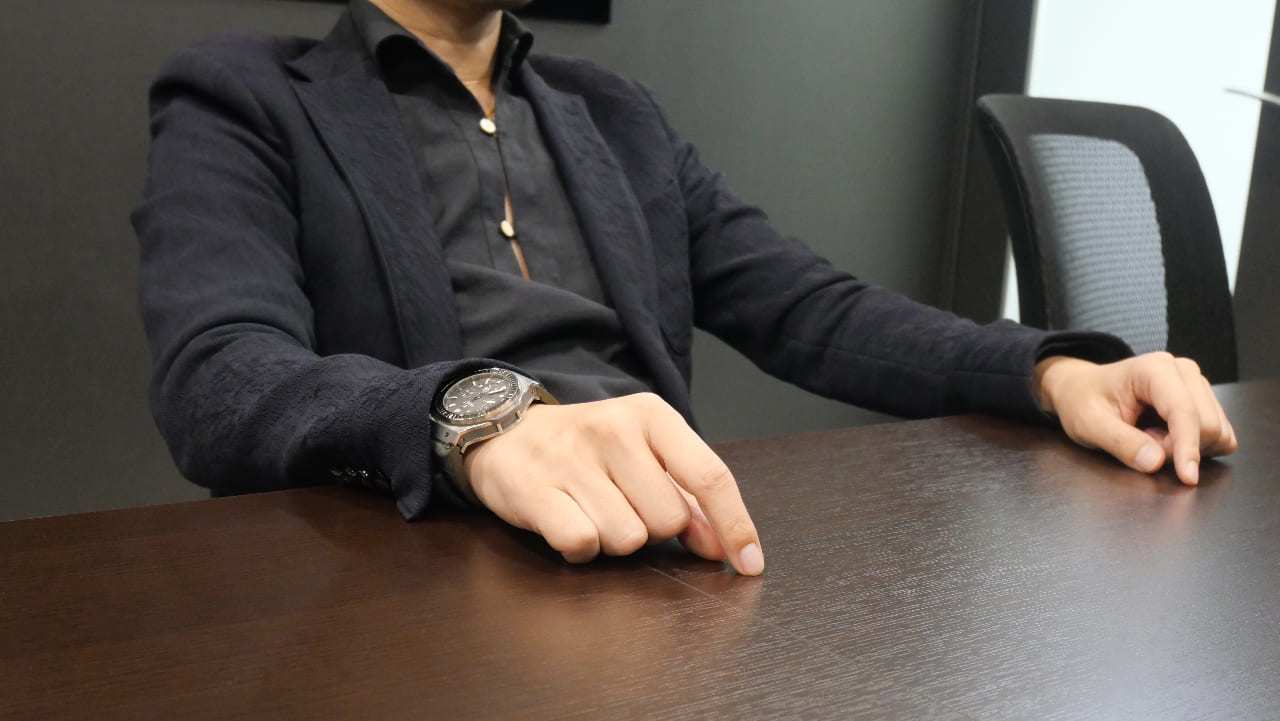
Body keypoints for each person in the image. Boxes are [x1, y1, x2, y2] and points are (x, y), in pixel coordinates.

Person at [132, 0, 1238, 577]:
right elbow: (220, 375)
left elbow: (812, 308)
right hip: (419, 576)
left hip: (675, 556)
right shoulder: (244, 95)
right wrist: (479, 416)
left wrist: (1048, 369)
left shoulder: (613, 114)